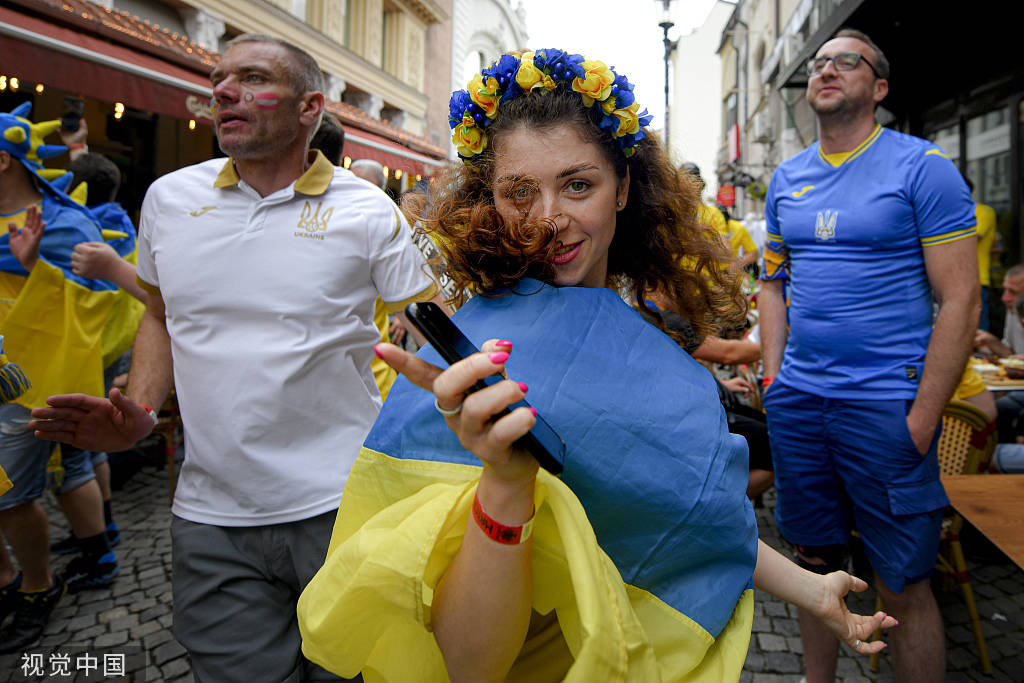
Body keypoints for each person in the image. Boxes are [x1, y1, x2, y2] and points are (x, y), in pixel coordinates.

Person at [297, 48, 894, 682]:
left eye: (578, 184)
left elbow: (685, 510)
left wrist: (810, 589)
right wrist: (504, 483)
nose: (550, 218)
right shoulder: (470, 358)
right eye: (519, 192)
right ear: (489, 199)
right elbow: (464, 666)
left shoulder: (659, 352)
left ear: (624, 189)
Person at [31, 34, 446, 681]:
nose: (225, 90)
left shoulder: (367, 210)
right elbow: (161, 316)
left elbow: (430, 328)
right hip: (211, 514)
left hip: (344, 506)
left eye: (253, 78)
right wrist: (141, 407)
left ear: (311, 107)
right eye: (219, 78)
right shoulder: (168, 199)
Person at [759, 29, 978, 683]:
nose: (826, 69)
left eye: (845, 61)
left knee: (902, 579)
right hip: (800, 404)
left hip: (886, 406)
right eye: (819, 62)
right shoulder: (786, 177)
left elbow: (961, 300)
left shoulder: (923, 167)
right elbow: (772, 283)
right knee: (814, 569)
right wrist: (774, 377)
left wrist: (922, 415)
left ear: (879, 88)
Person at [0, 103, 119, 651]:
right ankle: (81, 555)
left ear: (4, 160)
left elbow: (106, 307)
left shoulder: (64, 224)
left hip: (34, 383)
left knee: (19, 494)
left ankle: (38, 584)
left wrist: (34, 272)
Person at [962, 176, 997, 331]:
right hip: (952, 280)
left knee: (977, 331)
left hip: (977, 279)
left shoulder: (984, 211)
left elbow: (970, 239)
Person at [974, 263, 1024, 357]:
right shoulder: (1013, 311)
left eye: (1013, 292)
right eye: (1005, 290)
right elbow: (1012, 356)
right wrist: (991, 342)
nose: (1005, 298)